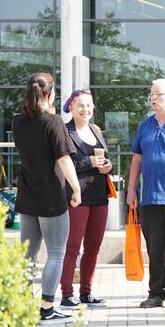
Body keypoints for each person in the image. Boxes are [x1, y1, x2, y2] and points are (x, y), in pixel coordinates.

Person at [12, 72, 82, 324]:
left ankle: (22, 306)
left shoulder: (18, 122)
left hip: (27, 196)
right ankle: (47, 308)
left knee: (27, 255)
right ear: (50, 95)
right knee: (55, 253)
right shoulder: (53, 122)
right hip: (51, 197)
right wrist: (76, 189)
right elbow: (63, 159)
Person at [126, 79, 165, 308]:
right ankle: (156, 293)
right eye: (151, 94)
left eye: (158, 94)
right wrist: (132, 189)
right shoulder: (145, 125)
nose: (152, 98)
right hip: (150, 198)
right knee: (155, 250)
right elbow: (137, 158)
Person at [58, 88, 113, 310]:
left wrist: (108, 166)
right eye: (80, 105)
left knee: (93, 248)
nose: (85, 109)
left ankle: (86, 293)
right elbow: (64, 164)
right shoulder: (64, 131)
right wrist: (89, 163)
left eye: (89, 105)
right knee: (72, 248)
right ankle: (66, 294)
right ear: (70, 106)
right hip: (76, 197)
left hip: (100, 196)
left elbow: (104, 159)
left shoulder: (95, 130)